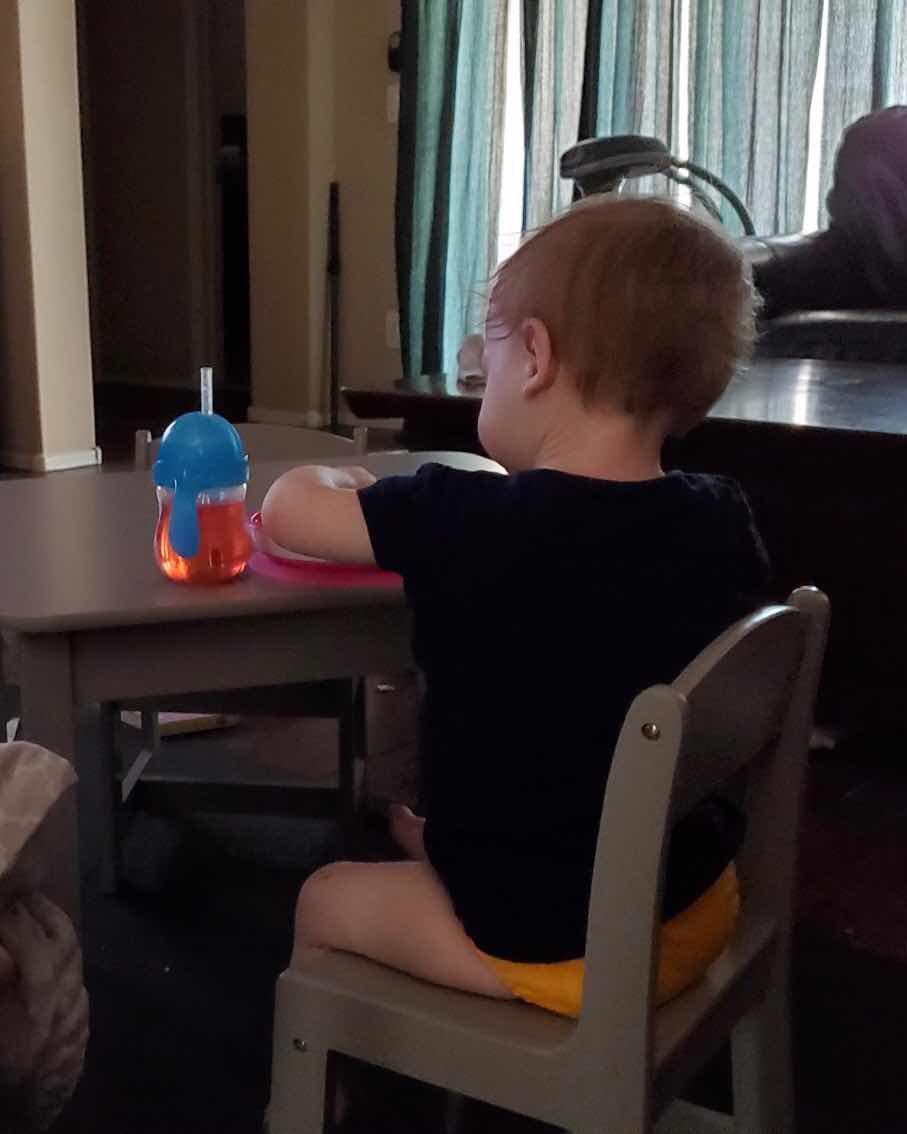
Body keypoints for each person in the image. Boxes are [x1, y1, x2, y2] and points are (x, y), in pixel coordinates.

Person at [261, 195, 769, 1022]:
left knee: (323, 894)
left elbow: (287, 513)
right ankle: (446, 846)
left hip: (561, 943)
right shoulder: (722, 515)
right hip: (696, 902)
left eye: (488, 359)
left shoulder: (466, 519)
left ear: (534, 358)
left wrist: (341, 479)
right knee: (542, 751)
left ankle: (342, 1082)